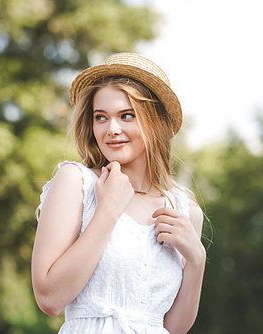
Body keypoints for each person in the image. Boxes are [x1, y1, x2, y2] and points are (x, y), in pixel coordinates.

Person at [31, 53, 206, 334]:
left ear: (155, 121)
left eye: (127, 115)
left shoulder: (183, 210)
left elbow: (172, 328)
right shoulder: (77, 182)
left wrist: (197, 261)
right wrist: (108, 210)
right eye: (101, 117)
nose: (112, 130)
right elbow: (49, 298)